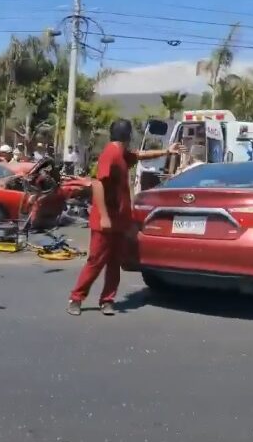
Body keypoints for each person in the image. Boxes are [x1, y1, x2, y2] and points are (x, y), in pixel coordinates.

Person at [67, 119, 183, 316]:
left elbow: (139, 155)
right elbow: (97, 185)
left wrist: (166, 151)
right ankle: (76, 298)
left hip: (119, 220)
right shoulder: (111, 154)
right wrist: (104, 216)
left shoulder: (121, 153)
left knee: (114, 262)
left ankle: (107, 300)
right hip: (106, 221)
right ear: (127, 135)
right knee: (96, 261)